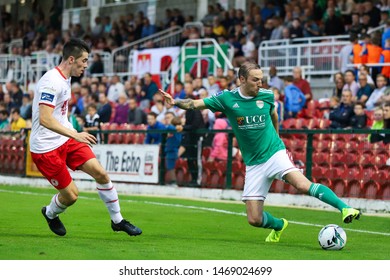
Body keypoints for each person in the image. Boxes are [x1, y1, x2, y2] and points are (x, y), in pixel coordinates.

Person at [159, 62, 360, 243]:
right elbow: (195, 104)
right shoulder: (227, 98)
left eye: (261, 79)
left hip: (274, 153)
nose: (260, 83)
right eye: (255, 80)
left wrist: (277, 139)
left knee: (302, 184)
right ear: (242, 79)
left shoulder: (267, 95)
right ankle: (279, 225)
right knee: (254, 219)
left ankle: (345, 208)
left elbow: (274, 116)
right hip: (254, 163)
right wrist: (175, 102)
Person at [29, 38, 142, 237]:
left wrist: (73, 135)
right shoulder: (51, 82)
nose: (86, 65)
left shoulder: (65, 78)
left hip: (66, 138)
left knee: (101, 174)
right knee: (71, 196)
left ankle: (118, 221)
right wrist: (76, 134)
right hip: (45, 148)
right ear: (71, 59)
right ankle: (50, 213)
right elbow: (45, 119)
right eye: (84, 61)